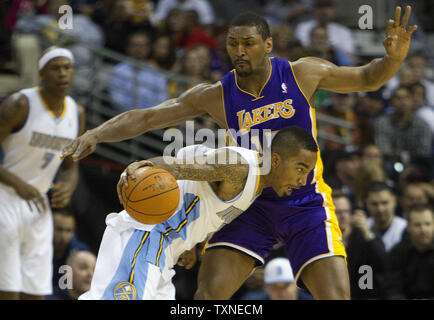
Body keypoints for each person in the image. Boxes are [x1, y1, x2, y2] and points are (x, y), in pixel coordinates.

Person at [62, 7, 418, 300]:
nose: (240, 51)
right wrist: (96, 133)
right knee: (207, 297)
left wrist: (393, 60)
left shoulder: (301, 74)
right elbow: (150, 116)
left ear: (268, 45)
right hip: (249, 203)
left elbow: (366, 78)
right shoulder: (217, 94)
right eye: (233, 44)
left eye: (248, 43)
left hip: (305, 201)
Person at [79, 126, 319, 299]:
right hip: (146, 236)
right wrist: (139, 169)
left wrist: (191, 243)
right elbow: (179, 167)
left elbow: (195, 184)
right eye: (300, 168)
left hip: (165, 253)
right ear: (276, 161)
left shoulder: (254, 182)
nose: (302, 180)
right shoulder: (239, 167)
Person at [0, 46, 85, 300]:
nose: (62, 74)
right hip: (5, 198)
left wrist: (69, 186)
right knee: (8, 289)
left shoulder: (76, 112)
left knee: (36, 291)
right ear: (41, 74)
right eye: (55, 68)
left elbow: (71, 165)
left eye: (67, 67)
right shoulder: (19, 104)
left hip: (39, 204)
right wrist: (17, 183)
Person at [108, 31, 169, 112]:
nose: (138, 49)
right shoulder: (118, 70)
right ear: (128, 48)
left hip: (150, 118)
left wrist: (146, 115)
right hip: (124, 117)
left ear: (148, 49)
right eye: (134, 45)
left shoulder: (157, 74)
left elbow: (162, 99)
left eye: (142, 46)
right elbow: (116, 100)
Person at [385, 204, 434, 299]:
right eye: (417, 225)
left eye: (427, 224)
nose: (423, 230)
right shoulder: (397, 252)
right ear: (408, 227)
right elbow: (393, 290)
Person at [46, 207, 92, 300]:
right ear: (49, 227)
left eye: (68, 231)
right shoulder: (38, 250)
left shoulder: (80, 252)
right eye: (59, 229)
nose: (63, 236)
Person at [374, 86, 432, 159]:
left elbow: (423, 152)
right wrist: (403, 156)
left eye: (406, 98)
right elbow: (383, 149)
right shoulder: (382, 122)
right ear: (391, 102)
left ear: (412, 101)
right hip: (389, 162)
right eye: (398, 98)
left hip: (416, 164)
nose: (402, 101)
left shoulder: (423, 125)